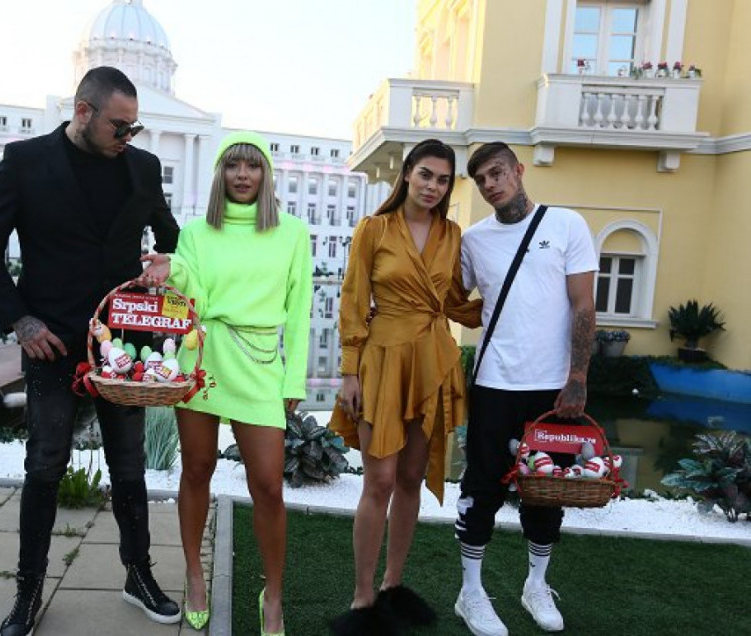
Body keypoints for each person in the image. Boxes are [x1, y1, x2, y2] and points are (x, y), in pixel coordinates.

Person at [0, 66, 182, 636]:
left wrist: (164, 265)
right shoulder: (25, 162)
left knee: (130, 465)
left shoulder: (143, 167)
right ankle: (28, 590)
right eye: (119, 126)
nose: (127, 137)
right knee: (44, 466)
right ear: (83, 111)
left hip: (123, 347)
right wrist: (20, 319)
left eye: (134, 128)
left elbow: (170, 236)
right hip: (53, 344)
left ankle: (139, 575)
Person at [141, 130, 312, 635]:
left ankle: (273, 594)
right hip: (203, 357)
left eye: (252, 165)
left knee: (269, 485)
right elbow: (190, 294)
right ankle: (195, 575)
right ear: (220, 174)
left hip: (259, 363)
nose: (242, 175)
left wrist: (293, 378)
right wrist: (172, 270)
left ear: (266, 174)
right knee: (197, 468)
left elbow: (300, 310)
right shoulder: (196, 232)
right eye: (233, 166)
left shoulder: (292, 233)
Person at [328, 139, 482, 636]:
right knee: (379, 481)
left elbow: (454, 300)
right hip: (383, 362)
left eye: (443, 179)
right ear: (408, 174)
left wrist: (513, 306)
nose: (433, 186)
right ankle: (363, 597)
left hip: (431, 361)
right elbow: (353, 301)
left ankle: (393, 586)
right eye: (426, 175)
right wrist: (349, 371)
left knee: (411, 478)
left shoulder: (452, 234)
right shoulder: (374, 229)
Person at [453, 141, 597, 636]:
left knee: (545, 490)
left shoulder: (567, 225)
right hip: (493, 382)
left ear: (518, 169)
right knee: (481, 487)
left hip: (551, 388)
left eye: (497, 173)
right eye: (481, 180)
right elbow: (449, 298)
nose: (490, 185)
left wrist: (577, 377)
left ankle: (536, 584)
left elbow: (583, 306)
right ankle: (470, 592)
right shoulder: (473, 240)